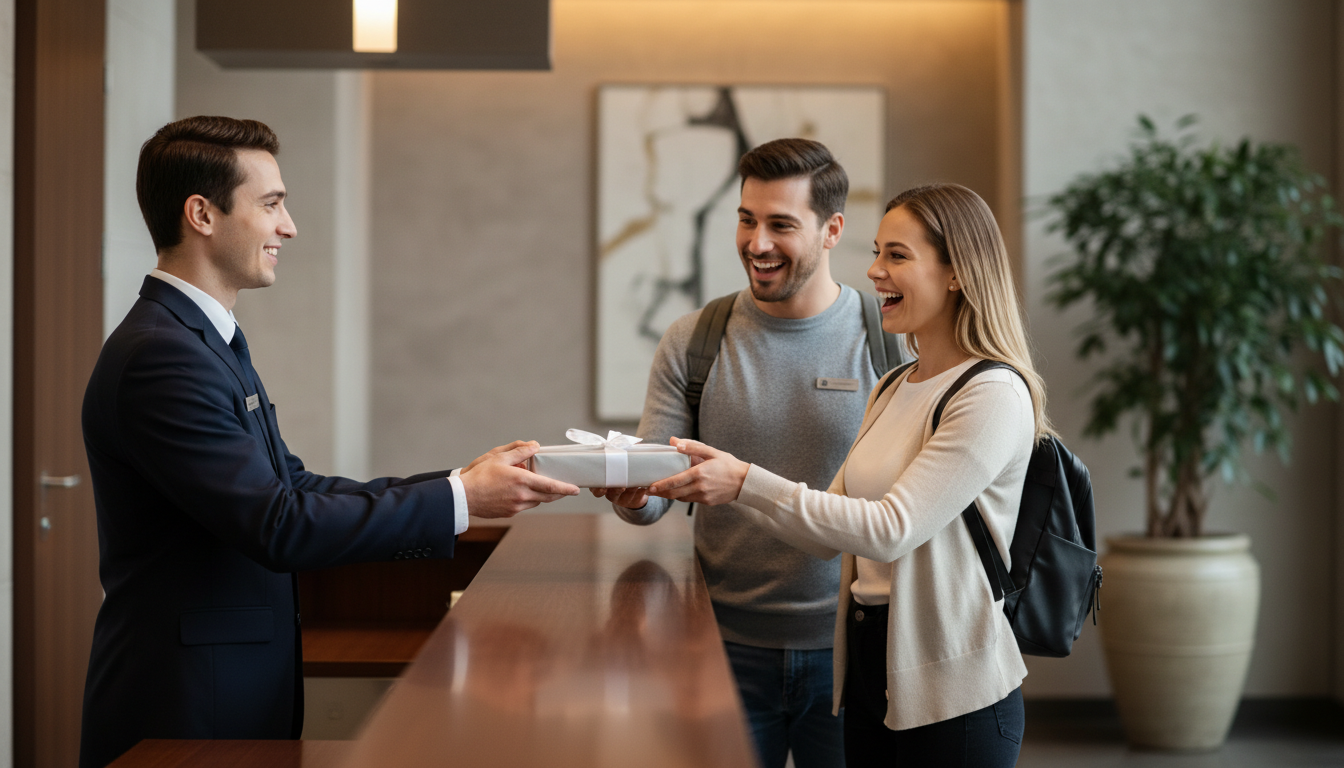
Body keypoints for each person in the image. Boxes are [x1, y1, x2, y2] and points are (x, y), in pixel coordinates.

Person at [78, 116, 580, 768]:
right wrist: (460, 500)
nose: (289, 227)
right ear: (202, 214)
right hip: (187, 700)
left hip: (229, 685)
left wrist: (456, 482)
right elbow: (279, 524)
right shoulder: (162, 357)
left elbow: (293, 486)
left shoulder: (206, 340)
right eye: (271, 204)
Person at [646, 183, 1050, 767]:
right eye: (878, 252)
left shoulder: (991, 393)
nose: (874, 270)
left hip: (952, 693)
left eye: (897, 256)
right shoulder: (893, 387)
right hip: (866, 667)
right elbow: (825, 533)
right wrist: (729, 487)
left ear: (958, 272)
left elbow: (889, 529)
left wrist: (744, 481)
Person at [594, 138, 904, 768]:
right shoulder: (692, 340)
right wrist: (632, 494)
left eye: (781, 225)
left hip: (854, 652)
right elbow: (654, 495)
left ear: (831, 230)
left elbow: (908, 506)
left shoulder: (892, 344)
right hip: (717, 647)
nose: (757, 243)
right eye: (746, 219)